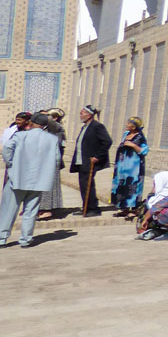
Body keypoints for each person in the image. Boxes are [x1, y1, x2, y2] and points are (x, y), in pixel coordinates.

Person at [0, 113, 62, 248]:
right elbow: (57, 159)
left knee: (8, 210)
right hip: (38, 180)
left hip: (18, 178)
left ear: (32, 123)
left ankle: (2, 238)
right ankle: (26, 239)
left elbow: (7, 149)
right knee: (31, 211)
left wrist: (11, 164)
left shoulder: (21, 136)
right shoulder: (52, 139)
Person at [69, 105, 112, 215]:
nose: (80, 115)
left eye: (82, 113)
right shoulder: (85, 127)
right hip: (81, 161)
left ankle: (93, 209)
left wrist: (97, 156)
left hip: (89, 161)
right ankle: (86, 207)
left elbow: (107, 141)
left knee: (88, 184)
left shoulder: (97, 126)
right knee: (83, 185)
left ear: (89, 115)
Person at [110, 117, 149, 216]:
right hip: (122, 165)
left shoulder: (140, 137)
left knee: (132, 186)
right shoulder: (126, 134)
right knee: (122, 184)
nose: (126, 125)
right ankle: (124, 208)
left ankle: (134, 209)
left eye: (128, 123)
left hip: (134, 167)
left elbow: (144, 151)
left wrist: (133, 145)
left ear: (134, 126)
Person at [37, 108, 67, 220]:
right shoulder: (48, 128)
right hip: (43, 161)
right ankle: (41, 208)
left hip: (50, 161)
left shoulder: (56, 128)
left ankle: (46, 209)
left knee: (49, 187)